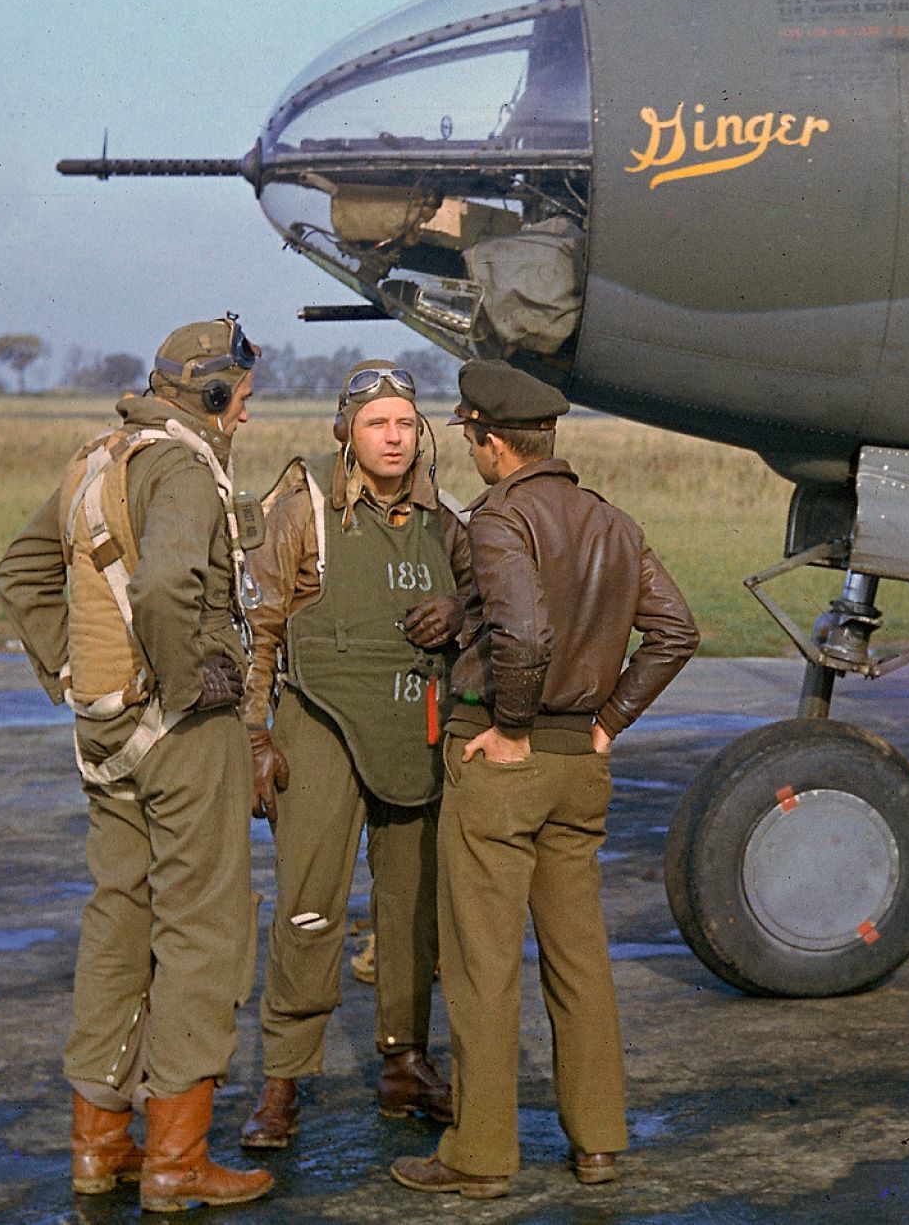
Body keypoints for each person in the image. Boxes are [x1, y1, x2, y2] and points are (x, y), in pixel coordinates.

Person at [391, 361, 698, 1200]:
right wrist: (607, 723)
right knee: (579, 958)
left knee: (482, 963)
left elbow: (523, 632)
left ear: (491, 440)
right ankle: (597, 1141)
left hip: (506, 764)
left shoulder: (501, 515)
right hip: (581, 772)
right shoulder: (611, 519)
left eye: (471, 437)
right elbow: (676, 630)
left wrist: (515, 728)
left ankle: (481, 1153)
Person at [0, 316, 273, 1211]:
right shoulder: (185, 466)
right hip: (184, 735)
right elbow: (162, 588)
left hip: (105, 733)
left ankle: (98, 1145)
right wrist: (188, 685)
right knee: (203, 929)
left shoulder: (96, 458)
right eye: (244, 394)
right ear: (219, 392)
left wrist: (73, 676)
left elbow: (23, 571)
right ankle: (175, 1163)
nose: (248, 413)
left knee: (118, 920)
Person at [238, 360, 472, 1148]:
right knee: (309, 907)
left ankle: (406, 1061)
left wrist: (460, 608)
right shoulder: (302, 508)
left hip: (416, 728)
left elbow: (493, 601)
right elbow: (261, 625)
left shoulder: (450, 519)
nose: (394, 437)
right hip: (321, 726)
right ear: (347, 431)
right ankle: (282, 1080)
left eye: (406, 423)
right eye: (378, 423)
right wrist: (254, 736)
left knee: (413, 909)